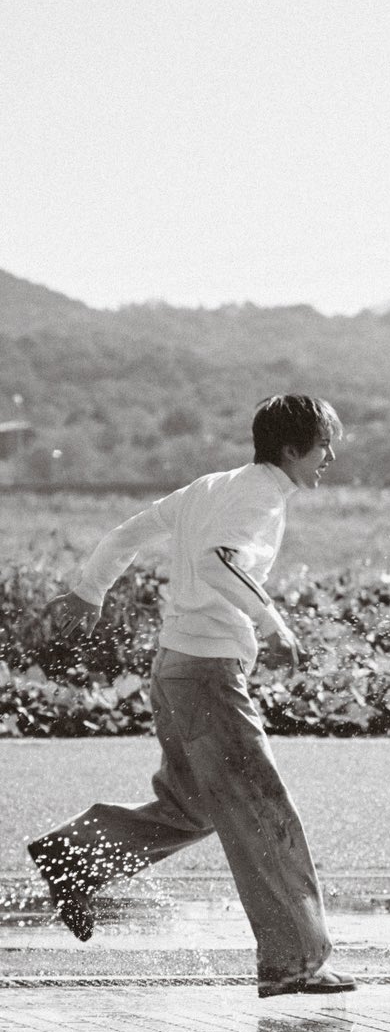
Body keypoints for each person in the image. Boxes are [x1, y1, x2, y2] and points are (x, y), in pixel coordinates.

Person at [26, 395, 354, 998]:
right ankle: (295, 962)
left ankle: (75, 857)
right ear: (291, 449)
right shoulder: (258, 493)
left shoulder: (211, 486)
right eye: (323, 445)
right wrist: (274, 622)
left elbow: (130, 532)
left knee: (193, 806)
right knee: (261, 807)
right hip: (206, 673)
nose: (329, 457)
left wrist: (90, 590)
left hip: (175, 667)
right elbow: (215, 560)